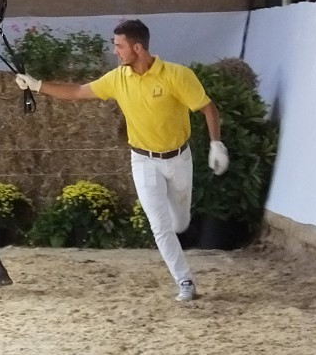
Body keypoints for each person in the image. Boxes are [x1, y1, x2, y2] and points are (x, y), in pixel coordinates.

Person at [14, 19, 229, 302]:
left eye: (119, 46)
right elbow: (79, 92)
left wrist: (216, 144)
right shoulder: (117, 79)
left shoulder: (178, 75)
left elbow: (208, 108)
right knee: (159, 226)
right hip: (143, 160)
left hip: (178, 159)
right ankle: (185, 280)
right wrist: (38, 85)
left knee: (180, 221)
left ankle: (179, 221)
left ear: (137, 48)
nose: (115, 51)